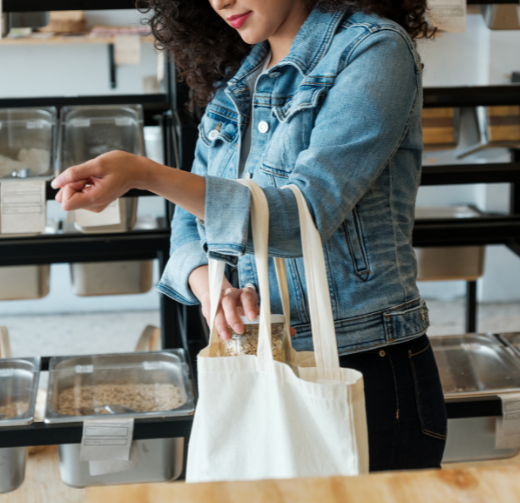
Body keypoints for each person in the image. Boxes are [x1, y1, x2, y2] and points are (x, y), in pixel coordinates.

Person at [52, 0, 447, 471]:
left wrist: (145, 174)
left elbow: (302, 217)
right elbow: (188, 225)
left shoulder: (373, 50)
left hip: (364, 364)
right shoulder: (239, 80)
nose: (221, 1)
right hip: (258, 356)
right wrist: (211, 287)